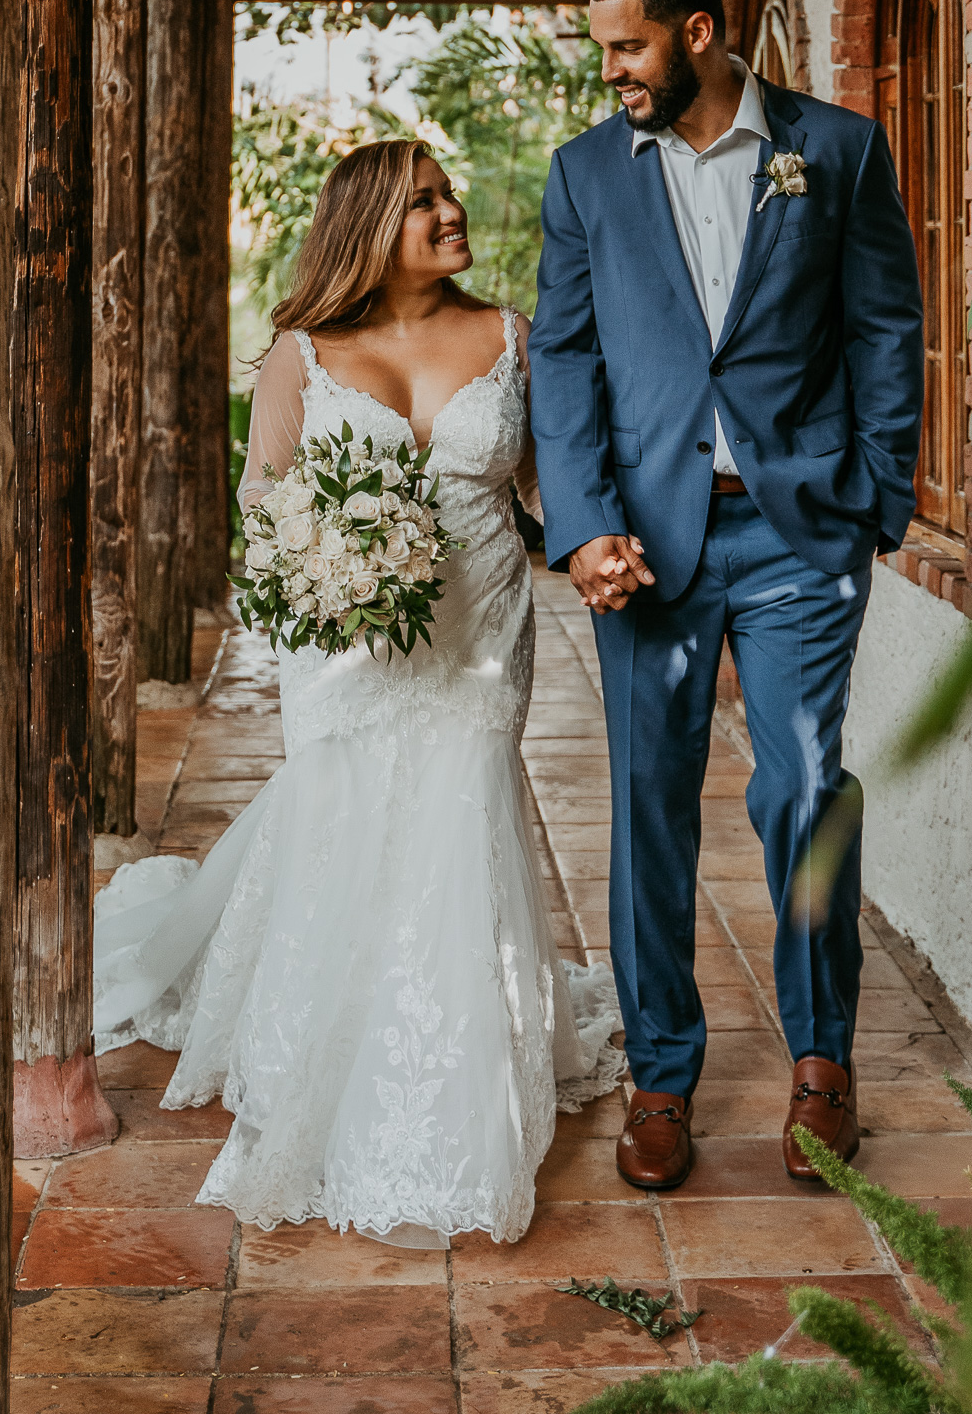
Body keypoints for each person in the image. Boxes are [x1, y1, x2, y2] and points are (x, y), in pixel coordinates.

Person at [93, 138, 624, 1248]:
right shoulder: (304, 349)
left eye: (447, 190)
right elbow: (267, 504)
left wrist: (594, 542)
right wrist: (333, 574)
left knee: (462, 813)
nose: (450, 208)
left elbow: (541, 482)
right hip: (343, 646)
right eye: (422, 199)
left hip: (482, 625)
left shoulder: (508, 336)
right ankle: (327, 1052)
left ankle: (448, 1083)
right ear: (369, 226)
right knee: (349, 817)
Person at [528, 0, 924, 1189]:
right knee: (650, 802)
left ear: (699, 33)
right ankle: (661, 1074)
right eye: (602, 52)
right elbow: (566, 359)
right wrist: (585, 524)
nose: (612, 74)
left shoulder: (837, 149)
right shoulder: (585, 174)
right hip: (647, 539)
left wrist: (876, 495)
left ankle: (823, 1065)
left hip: (801, 528)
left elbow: (883, 325)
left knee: (803, 787)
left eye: (628, 47)